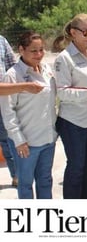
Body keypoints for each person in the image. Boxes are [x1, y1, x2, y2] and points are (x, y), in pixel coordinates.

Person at [54, 13, 87, 199]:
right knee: (76, 167)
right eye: (86, 32)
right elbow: (62, 92)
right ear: (73, 32)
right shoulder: (64, 59)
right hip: (73, 121)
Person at [0, 31, 57, 199]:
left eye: (41, 50)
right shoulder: (13, 75)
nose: (39, 55)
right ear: (21, 50)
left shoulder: (47, 69)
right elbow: (8, 112)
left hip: (48, 139)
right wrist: (18, 140)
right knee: (25, 184)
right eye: (33, 51)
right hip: (26, 142)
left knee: (45, 181)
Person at [0, 34, 19, 187]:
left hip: (2, 95)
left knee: (6, 139)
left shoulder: (1, 40)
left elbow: (12, 66)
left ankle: (16, 175)